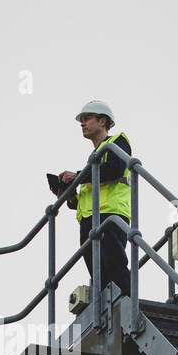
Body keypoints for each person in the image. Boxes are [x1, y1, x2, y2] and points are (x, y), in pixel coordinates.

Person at [58, 99, 132, 298]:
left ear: (102, 121)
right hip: (89, 219)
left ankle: (130, 304)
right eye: (82, 120)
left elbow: (115, 168)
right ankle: (108, 307)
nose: (83, 123)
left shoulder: (117, 142)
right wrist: (69, 195)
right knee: (98, 272)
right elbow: (82, 199)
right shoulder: (94, 156)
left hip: (110, 213)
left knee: (113, 263)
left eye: (87, 118)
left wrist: (78, 175)